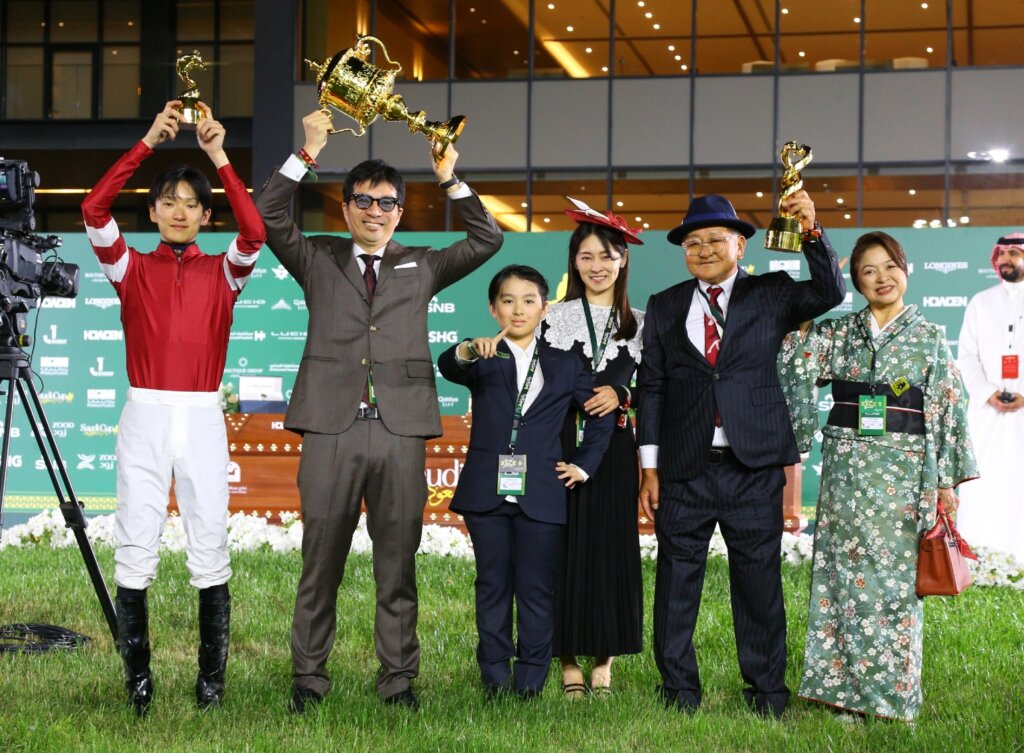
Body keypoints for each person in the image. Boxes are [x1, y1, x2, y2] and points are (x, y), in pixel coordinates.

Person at [256, 109, 503, 712]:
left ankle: (398, 681)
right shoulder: (315, 259)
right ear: (345, 209)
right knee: (321, 564)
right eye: (362, 200)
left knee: (398, 565)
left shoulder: (424, 264)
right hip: (331, 429)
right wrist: (308, 148)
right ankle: (308, 679)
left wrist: (450, 178)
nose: (374, 210)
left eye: (386, 202)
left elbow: (488, 239)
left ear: (400, 211)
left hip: (400, 430)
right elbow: (267, 215)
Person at [81, 101, 265, 714]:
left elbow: (255, 233)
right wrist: (147, 144)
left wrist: (218, 154)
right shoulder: (127, 266)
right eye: (169, 201)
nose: (180, 211)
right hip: (146, 415)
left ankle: (210, 683)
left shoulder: (226, 273)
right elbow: (93, 209)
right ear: (154, 210)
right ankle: (138, 681)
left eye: (192, 203)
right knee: (136, 540)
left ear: (204, 215)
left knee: (209, 540)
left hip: (203, 417)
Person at [637, 193, 845, 718]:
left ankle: (767, 693)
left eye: (714, 240)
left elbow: (829, 291)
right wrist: (650, 468)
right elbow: (654, 387)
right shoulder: (664, 304)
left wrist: (812, 230)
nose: (703, 249)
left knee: (759, 585)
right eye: (692, 242)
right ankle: (679, 691)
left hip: (753, 466)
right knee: (675, 585)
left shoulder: (771, 292)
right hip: (684, 470)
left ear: (739, 244)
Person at [784, 231, 977, 722]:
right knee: (841, 578)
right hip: (847, 472)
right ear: (856, 282)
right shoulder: (839, 332)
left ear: (906, 270)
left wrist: (944, 485)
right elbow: (794, 359)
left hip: (905, 472)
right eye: (868, 271)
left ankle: (891, 699)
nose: (881, 278)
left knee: (895, 588)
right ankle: (842, 694)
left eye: (889, 266)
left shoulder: (929, 337)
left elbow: (949, 409)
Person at [437, 265, 615, 699]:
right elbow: (448, 366)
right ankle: (495, 680)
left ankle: (531, 681)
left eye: (529, 300)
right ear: (493, 308)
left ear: (544, 308)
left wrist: (584, 465)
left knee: (537, 588)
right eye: (508, 301)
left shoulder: (565, 362)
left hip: (543, 490)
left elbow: (600, 416)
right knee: (492, 585)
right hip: (486, 491)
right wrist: (466, 350)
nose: (518, 309)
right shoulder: (481, 356)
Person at [540, 201, 644, 697]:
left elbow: (663, 387)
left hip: (617, 452)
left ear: (623, 259)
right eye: (585, 257)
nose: (595, 266)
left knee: (608, 547)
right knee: (562, 549)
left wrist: (624, 394)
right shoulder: (550, 317)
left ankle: (604, 655)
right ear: (573, 263)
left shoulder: (643, 324)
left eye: (605, 255)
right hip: (560, 443)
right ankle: (566, 660)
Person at [956, 233, 1024, 564]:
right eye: (1002, 254)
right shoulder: (981, 302)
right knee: (985, 483)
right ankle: (981, 556)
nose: (1006, 259)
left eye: (1014, 252)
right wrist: (988, 393)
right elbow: (966, 356)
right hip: (987, 413)